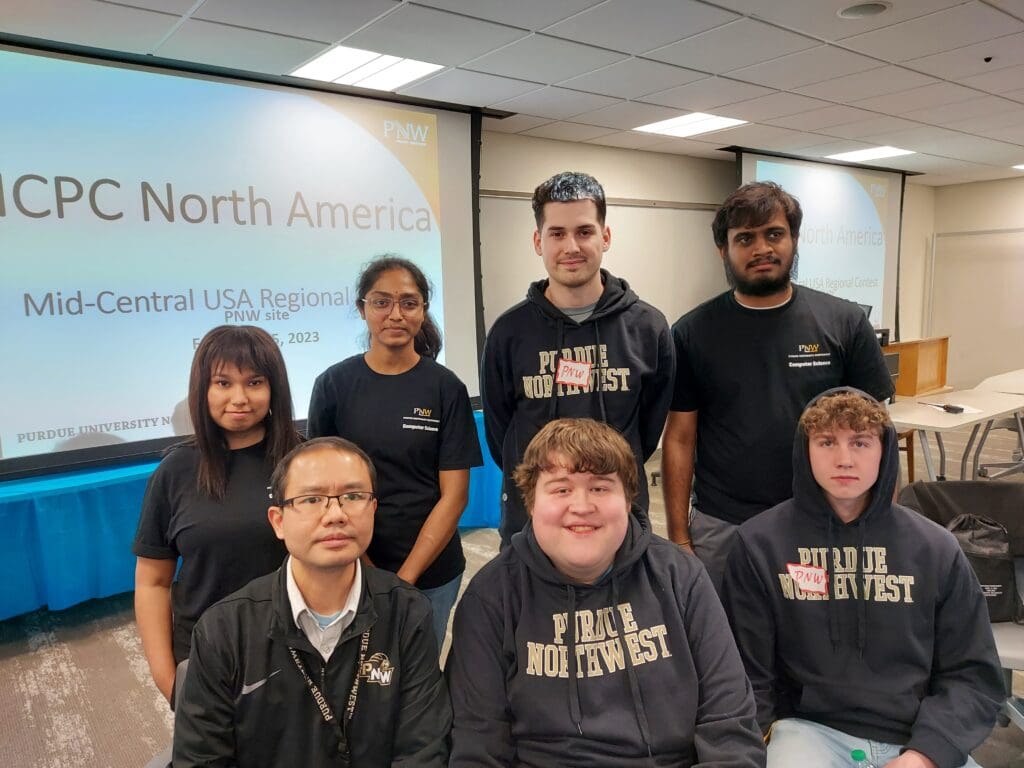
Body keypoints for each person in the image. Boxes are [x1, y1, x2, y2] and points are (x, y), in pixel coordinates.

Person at [447, 418, 765, 767]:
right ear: (531, 502)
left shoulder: (681, 576)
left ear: (629, 500)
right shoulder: (491, 597)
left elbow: (729, 723)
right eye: (561, 489)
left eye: (600, 488)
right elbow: (478, 747)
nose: (581, 506)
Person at [721, 389, 1004, 768]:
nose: (844, 459)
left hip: (919, 736)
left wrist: (925, 755)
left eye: (860, 442)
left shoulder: (936, 550)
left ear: (885, 450)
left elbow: (972, 675)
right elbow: (747, 677)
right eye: (826, 442)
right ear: (805, 449)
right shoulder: (758, 545)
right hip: (807, 733)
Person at [662, 181, 895, 590]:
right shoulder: (692, 333)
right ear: (724, 250)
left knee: (816, 642)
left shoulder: (843, 322)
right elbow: (680, 439)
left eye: (774, 234)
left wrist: (881, 521)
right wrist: (681, 538)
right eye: (744, 238)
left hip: (825, 518)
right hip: (724, 526)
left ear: (794, 239)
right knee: (726, 642)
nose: (762, 249)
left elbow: (879, 431)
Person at [173, 437, 451, 767]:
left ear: (373, 509)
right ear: (278, 521)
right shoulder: (225, 629)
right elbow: (201, 759)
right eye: (312, 499)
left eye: (353, 496)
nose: (335, 514)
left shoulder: (407, 611)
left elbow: (422, 748)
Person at [481, 171, 674, 547]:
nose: (571, 246)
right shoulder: (508, 332)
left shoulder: (648, 327)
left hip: (619, 520)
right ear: (539, 241)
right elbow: (500, 434)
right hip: (532, 522)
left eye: (584, 232)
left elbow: (648, 430)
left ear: (605, 236)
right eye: (557, 234)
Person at [307, 256, 482, 648]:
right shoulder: (333, 385)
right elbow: (321, 491)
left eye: (409, 302)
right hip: (349, 566)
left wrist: (404, 580)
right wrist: (366, 571)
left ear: (423, 309)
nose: (395, 314)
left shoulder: (445, 388)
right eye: (381, 302)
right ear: (362, 309)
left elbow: (455, 496)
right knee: (353, 683)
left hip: (432, 572)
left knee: (419, 681)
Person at [133, 325, 301, 703]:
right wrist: (168, 679)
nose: (239, 398)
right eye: (223, 383)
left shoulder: (304, 462)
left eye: (254, 382)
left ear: (274, 387)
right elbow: (152, 583)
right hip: (206, 652)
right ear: (202, 390)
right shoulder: (176, 470)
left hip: (299, 649)